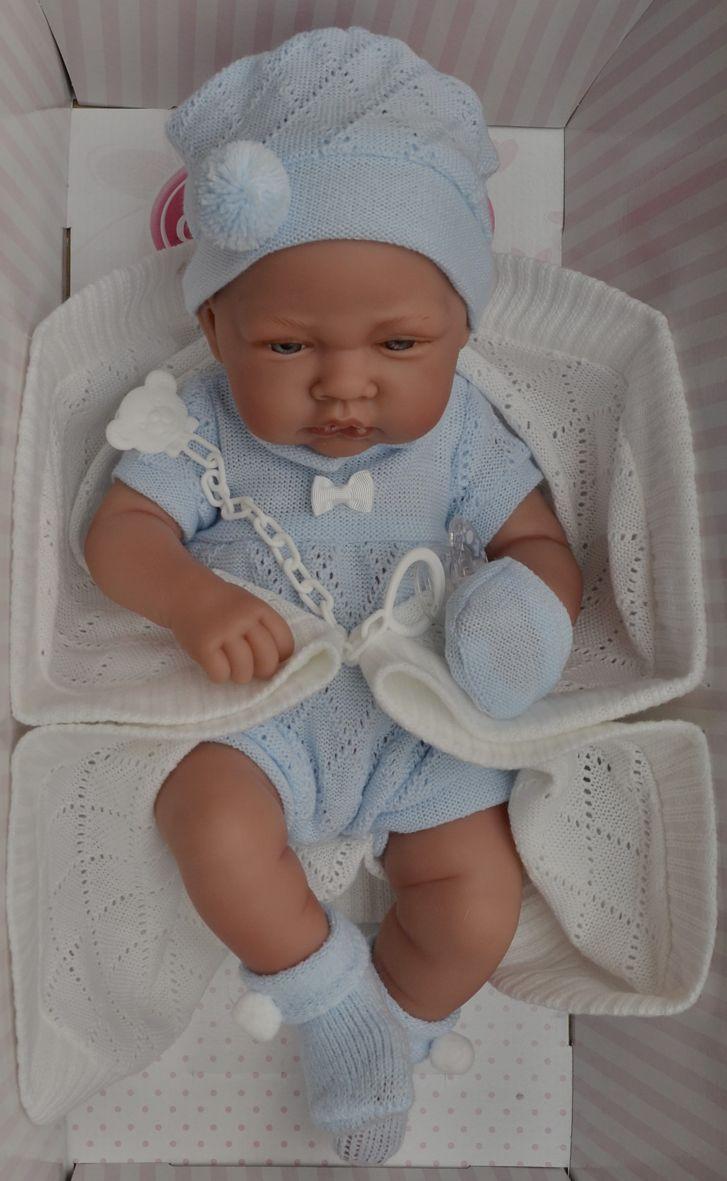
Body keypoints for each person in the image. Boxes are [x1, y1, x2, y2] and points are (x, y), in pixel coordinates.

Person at [84, 26, 582, 1166]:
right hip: (262, 716)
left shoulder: (462, 434)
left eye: (398, 342)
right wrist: (192, 600)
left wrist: (521, 611)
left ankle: (390, 1032)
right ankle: (325, 995)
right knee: (210, 825)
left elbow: (540, 544)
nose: (345, 384)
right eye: (288, 345)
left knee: (476, 903)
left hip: (424, 720)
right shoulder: (202, 424)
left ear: (462, 329)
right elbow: (122, 535)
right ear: (215, 330)